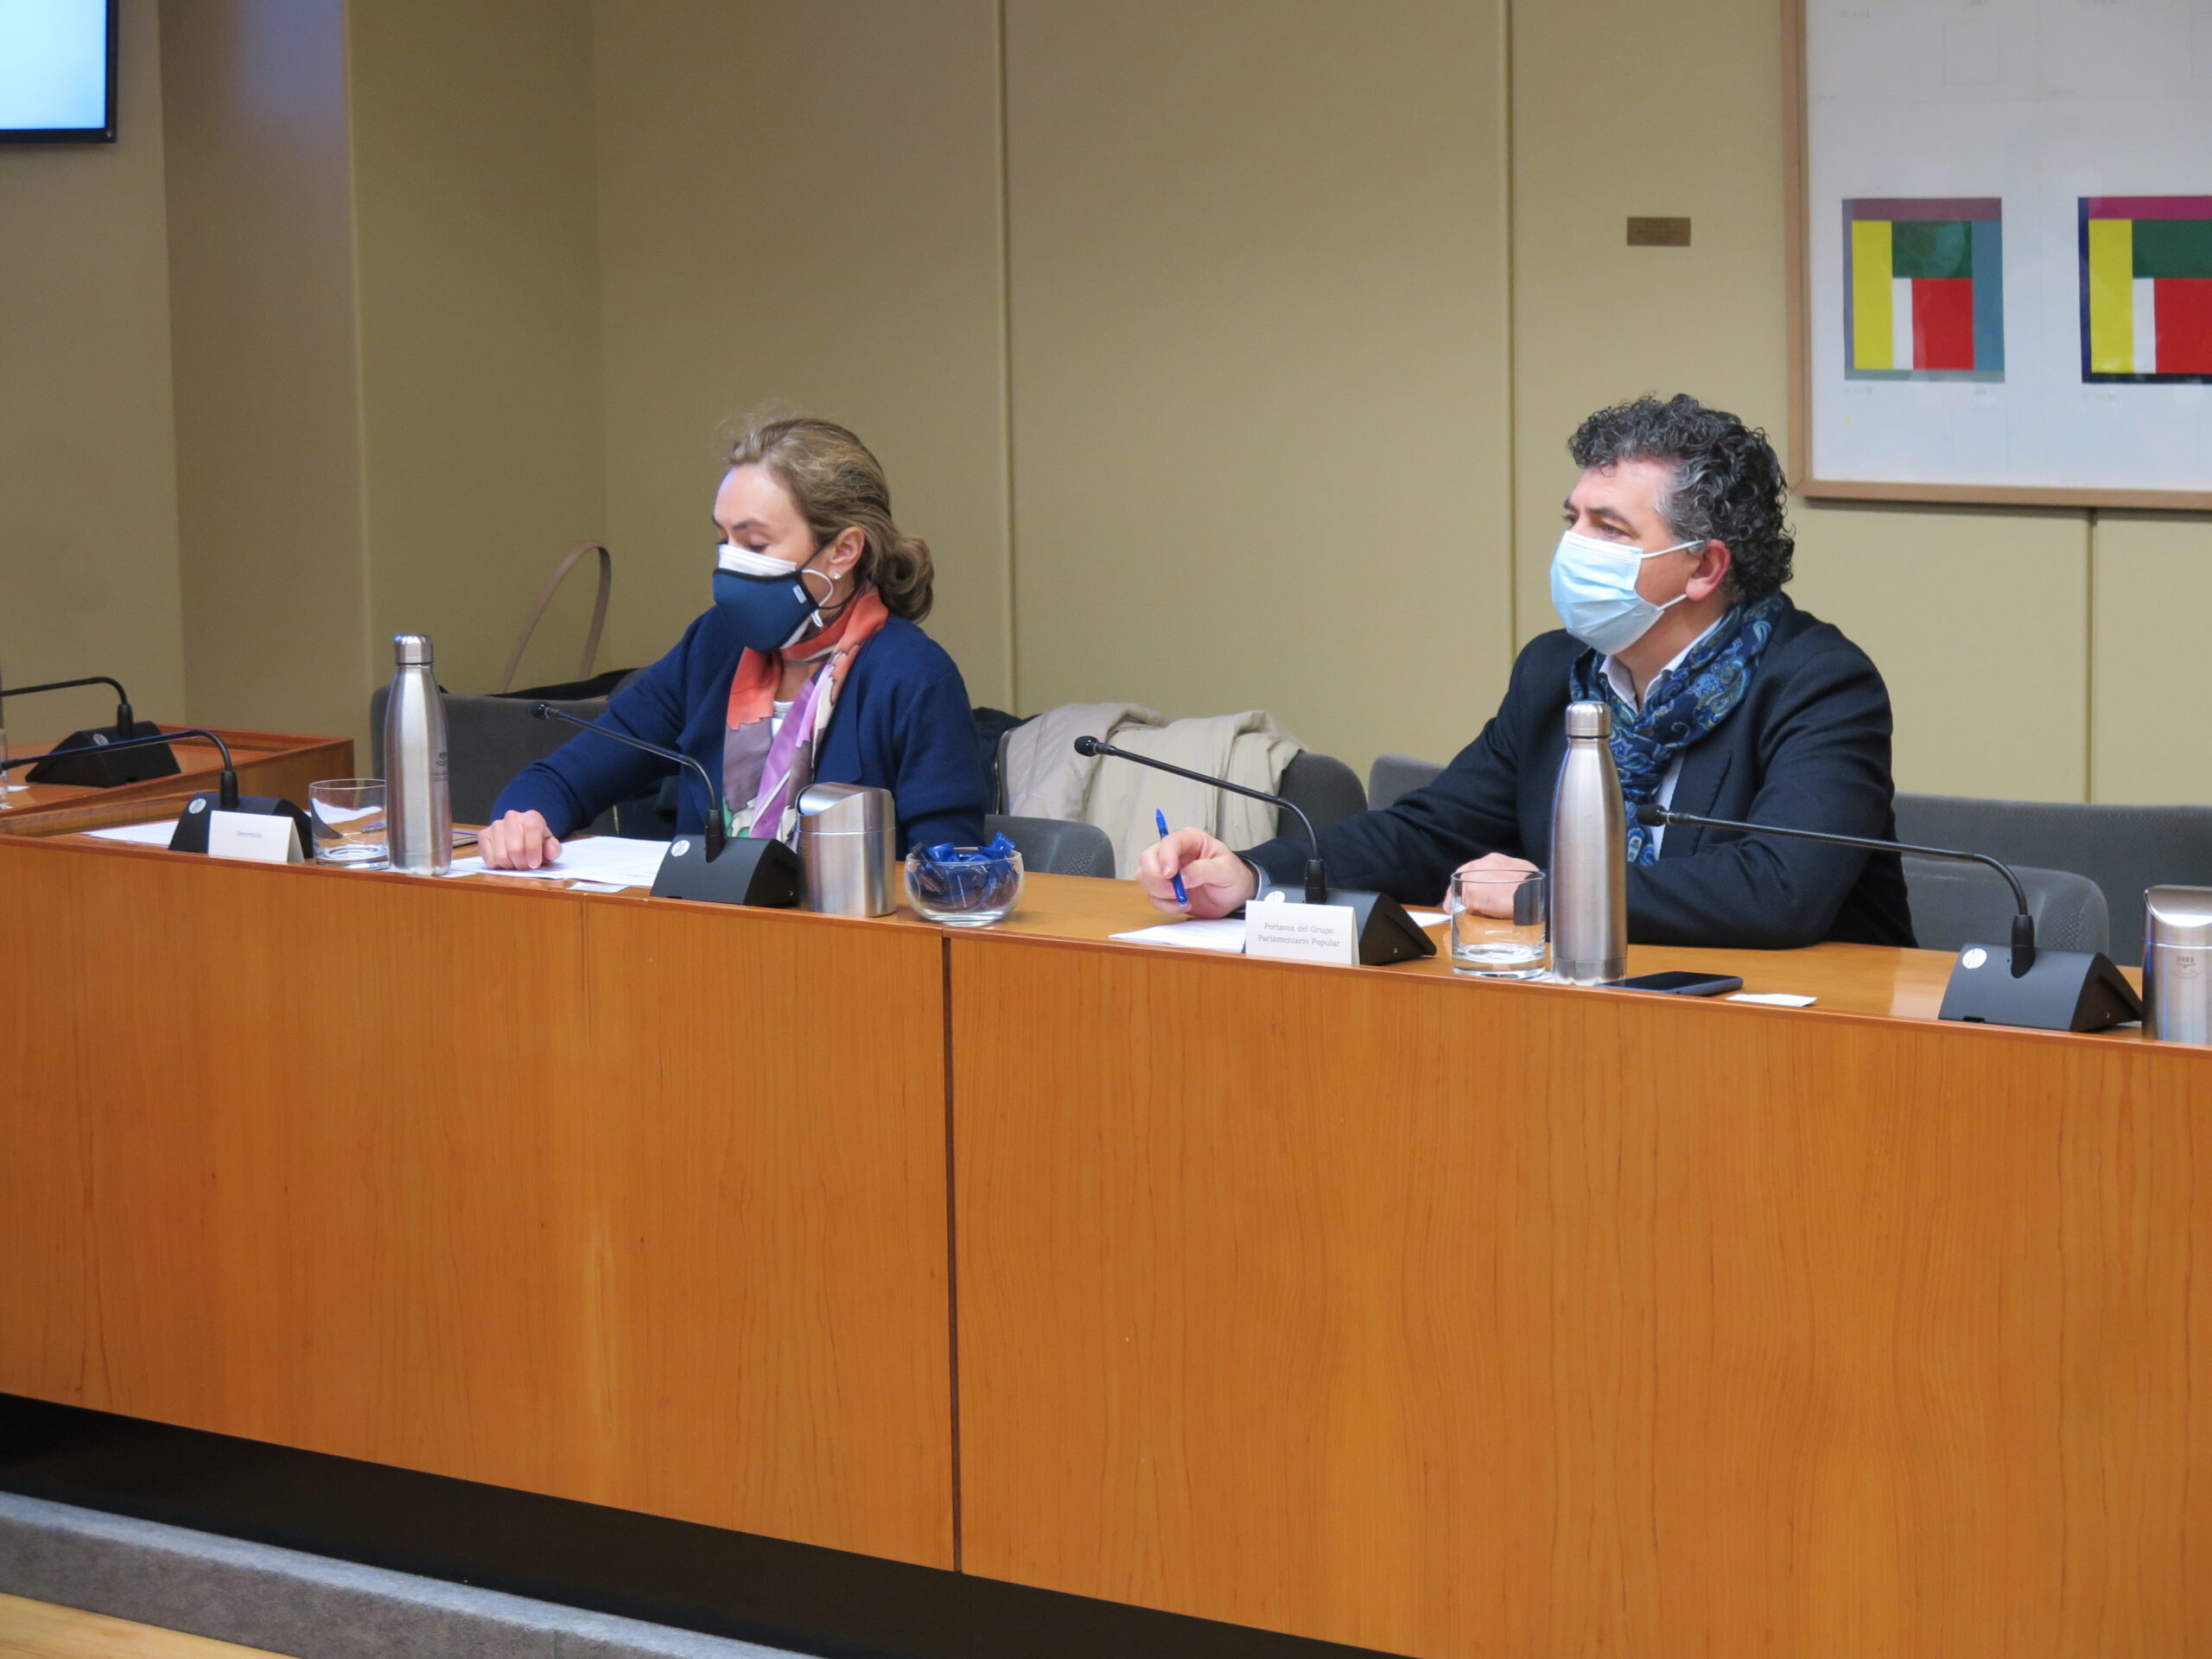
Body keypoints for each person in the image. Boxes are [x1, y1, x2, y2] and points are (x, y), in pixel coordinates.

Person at [1138, 394, 1915, 950]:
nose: (1575, 545)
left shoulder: (1817, 681)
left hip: (1808, 1037)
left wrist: (1549, 893)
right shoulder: (1557, 670)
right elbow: (1432, 831)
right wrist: (1254, 875)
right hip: (1589, 1007)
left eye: (1610, 528)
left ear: (1705, 568)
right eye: (1573, 519)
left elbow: (1779, 890)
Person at [480, 416, 988, 868]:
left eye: (756, 544)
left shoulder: (913, 674)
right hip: (706, 932)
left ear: (843, 551)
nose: (730, 563)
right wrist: (523, 821)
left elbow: (949, 871)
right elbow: (566, 777)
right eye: (725, 540)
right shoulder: (714, 645)